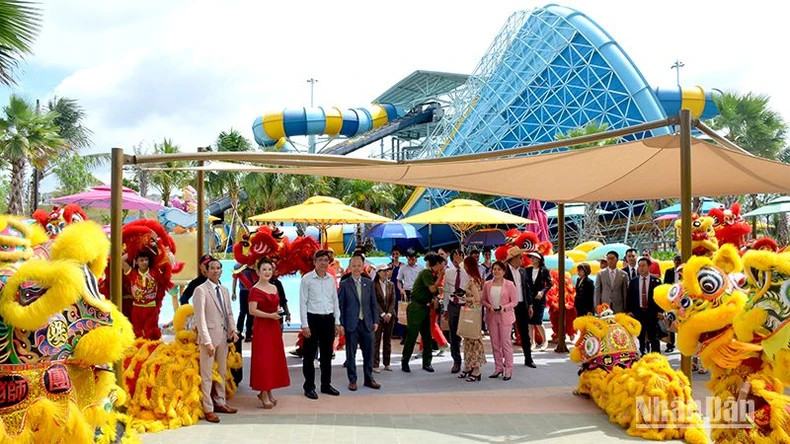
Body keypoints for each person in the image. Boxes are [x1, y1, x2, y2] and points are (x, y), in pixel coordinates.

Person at [193, 259, 238, 423]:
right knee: (206, 375)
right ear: (206, 270)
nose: (216, 271)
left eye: (218, 268)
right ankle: (208, 408)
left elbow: (229, 313)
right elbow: (200, 319)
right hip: (209, 338)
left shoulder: (224, 290)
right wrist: (206, 341)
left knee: (222, 372)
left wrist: (234, 330)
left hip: (224, 336)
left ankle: (220, 402)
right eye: (212, 268)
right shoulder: (201, 290)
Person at [299, 249, 342, 400]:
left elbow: (335, 301)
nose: (323, 263)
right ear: (315, 262)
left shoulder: (331, 279)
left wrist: (337, 321)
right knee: (309, 356)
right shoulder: (307, 279)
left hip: (328, 320)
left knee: (326, 355)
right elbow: (303, 303)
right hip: (312, 320)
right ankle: (309, 386)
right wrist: (304, 325)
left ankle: (326, 384)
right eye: (320, 260)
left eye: (326, 260)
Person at [248, 258, 290, 409]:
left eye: (270, 270)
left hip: (274, 326)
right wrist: (270, 316)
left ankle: (268, 391)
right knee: (263, 360)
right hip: (262, 327)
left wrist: (278, 314)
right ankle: (263, 392)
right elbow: (252, 310)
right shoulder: (254, 289)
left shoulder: (274, 287)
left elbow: (277, 304)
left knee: (273, 359)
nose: (267, 272)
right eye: (264, 269)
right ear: (258, 271)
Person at [338, 255, 381, 391]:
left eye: (359, 265)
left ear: (363, 266)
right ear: (350, 267)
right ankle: (352, 380)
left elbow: (374, 303)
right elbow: (341, 306)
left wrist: (375, 320)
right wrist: (341, 324)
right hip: (351, 324)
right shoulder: (344, 284)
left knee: (369, 353)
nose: (356, 268)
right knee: (351, 354)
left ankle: (369, 378)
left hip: (367, 323)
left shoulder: (368, 283)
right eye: (354, 266)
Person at [401, 253, 445, 373]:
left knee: (426, 336)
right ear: (435, 264)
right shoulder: (426, 273)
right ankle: (405, 362)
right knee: (412, 335)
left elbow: (434, 292)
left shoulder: (433, 274)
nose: (443, 267)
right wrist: (440, 277)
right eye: (441, 264)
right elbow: (432, 288)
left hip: (425, 308)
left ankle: (427, 363)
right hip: (416, 308)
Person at [482, 261, 518, 380]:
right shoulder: (487, 284)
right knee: (495, 344)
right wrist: (489, 306)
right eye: (494, 269)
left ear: (503, 271)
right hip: (492, 316)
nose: (496, 271)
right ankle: (498, 367)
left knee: (505, 343)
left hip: (505, 316)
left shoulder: (509, 284)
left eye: (499, 269)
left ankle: (509, 369)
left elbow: (514, 301)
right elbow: (483, 300)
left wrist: (504, 307)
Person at [503, 247, 536, 368]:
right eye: (519, 257)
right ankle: (506, 360)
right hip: (508, 306)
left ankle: (528, 358)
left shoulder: (523, 271)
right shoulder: (505, 271)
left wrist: (530, 304)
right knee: (506, 334)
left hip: (522, 305)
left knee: (524, 333)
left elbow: (527, 289)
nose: (522, 259)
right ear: (513, 259)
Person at [122, 250, 163, 340]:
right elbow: (121, 261)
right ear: (136, 262)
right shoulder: (132, 273)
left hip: (151, 309)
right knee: (137, 334)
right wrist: (134, 249)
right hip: (137, 308)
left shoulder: (155, 272)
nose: (144, 262)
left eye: (146, 260)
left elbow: (163, 259)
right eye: (141, 260)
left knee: (151, 335)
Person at [627, 257, 663, 355]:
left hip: (652, 313)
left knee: (653, 336)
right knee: (640, 336)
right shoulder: (634, 281)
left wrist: (661, 311)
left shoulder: (656, 281)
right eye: (639, 266)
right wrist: (629, 310)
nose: (641, 268)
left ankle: (656, 356)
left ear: (649, 267)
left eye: (643, 266)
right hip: (638, 313)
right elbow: (629, 297)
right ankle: (642, 354)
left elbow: (660, 297)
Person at [459, 256, 486, 382]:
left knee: (473, 339)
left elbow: (477, 299)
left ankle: (476, 369)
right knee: (469, 338)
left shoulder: (472, 281)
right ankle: (469, 366)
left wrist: (464, 299)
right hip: (474, 312)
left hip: (472, 311)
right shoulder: (476, 279)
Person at [442, 249, 468, 373]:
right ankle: (456, 361)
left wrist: (462, 263)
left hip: (465, 306)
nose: (457, 261)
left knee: (468, 334)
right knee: (453, 335)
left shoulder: (467, 271)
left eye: (460, 258)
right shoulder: (449, 272)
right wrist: (446, 308)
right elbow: (446, 291)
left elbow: (467, 279)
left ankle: (469, 361)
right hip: (453, 305)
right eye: (455, 259)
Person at [524, 252, 552, 351]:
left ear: (539, 259)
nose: (532, 259)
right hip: (529, 298)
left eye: (534, 258)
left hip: (539, 299)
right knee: (530, 322)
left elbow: (549, 283)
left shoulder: (544, 271)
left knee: (538, 321)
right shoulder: (527, 270)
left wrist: (543, 291)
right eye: (531, 257)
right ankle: (532, 342)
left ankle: (545, 341)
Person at [373, 263, 396, 372]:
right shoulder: (373, 285)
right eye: (383, 271)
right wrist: (382, 314)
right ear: (378, 273)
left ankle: (387, 363)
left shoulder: (391, 284)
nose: (386, 272)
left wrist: (389, 314)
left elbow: (393, 300)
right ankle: (375, 364)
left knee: (388, 340)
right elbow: (374, 302)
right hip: (378, 316)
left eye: (387, 270)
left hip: (390, 316)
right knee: (376, 340)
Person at [661, 255, 682, 353]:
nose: (677, 264)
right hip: (671, 300)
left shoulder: (685, 271)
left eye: (679, 262)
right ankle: (670, 344)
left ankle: (682, 343)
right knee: (670, 320)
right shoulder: (669, 272)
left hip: (682, 300)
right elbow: (665, 286)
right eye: (676, 262)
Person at [232, 262, 256, 342]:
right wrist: (233, 292)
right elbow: (235, 279)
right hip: (244, 292)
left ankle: (248, 334)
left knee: (250, 313)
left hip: (252, 291)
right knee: (243, 312)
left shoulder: (254, 264)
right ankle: (239, 332)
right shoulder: (238, 266)